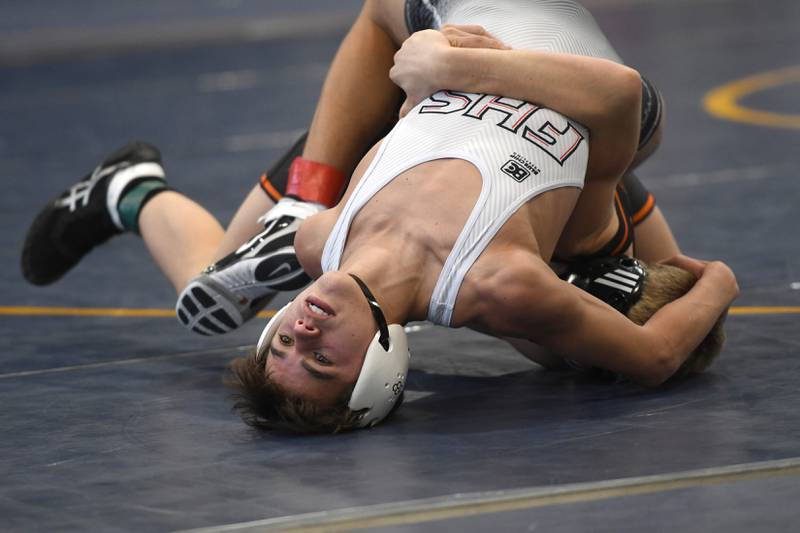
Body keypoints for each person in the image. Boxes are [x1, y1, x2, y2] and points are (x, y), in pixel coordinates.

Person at [20, 1, 737, 433]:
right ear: (381, 364)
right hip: (517, 103)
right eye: (321, 356)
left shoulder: (318, 240)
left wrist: (447, 70)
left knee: (215, 281)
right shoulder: (497, 283)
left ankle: (142, 191)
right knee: (606, 303)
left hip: (388, 129)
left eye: (283, 346)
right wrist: (721, 282)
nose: (300, 333)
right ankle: (138, 191)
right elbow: (657, 356)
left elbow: (383, 27)